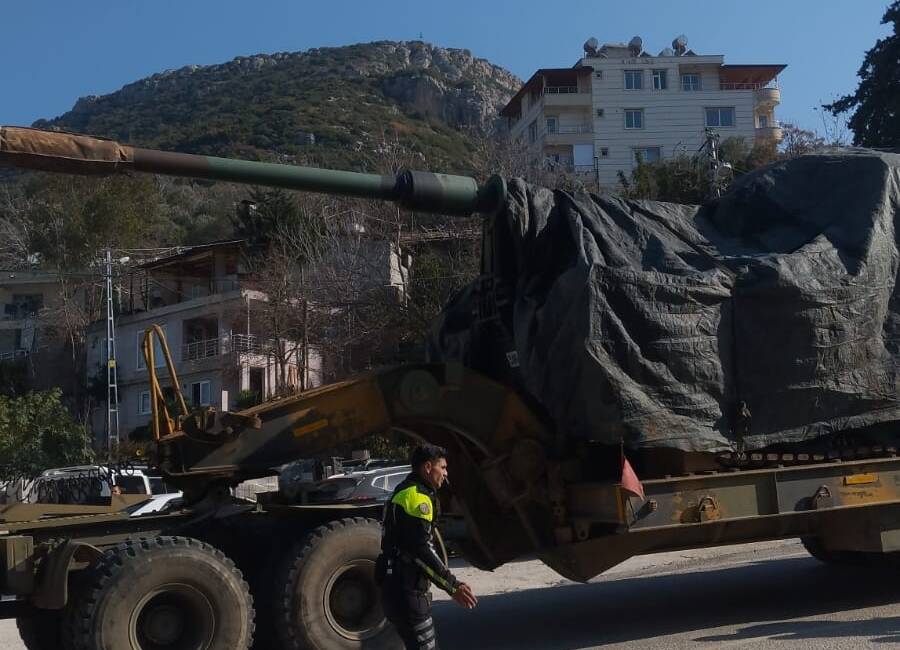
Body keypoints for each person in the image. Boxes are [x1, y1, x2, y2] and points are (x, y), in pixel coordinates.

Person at [378, 444, 477, 650]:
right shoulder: (417, 498)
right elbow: (421, 550)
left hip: (397, 590)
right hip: (407, 593)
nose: (446, 473)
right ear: (428, 467)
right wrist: (452, 585)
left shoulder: (405, 490)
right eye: (443, 467)